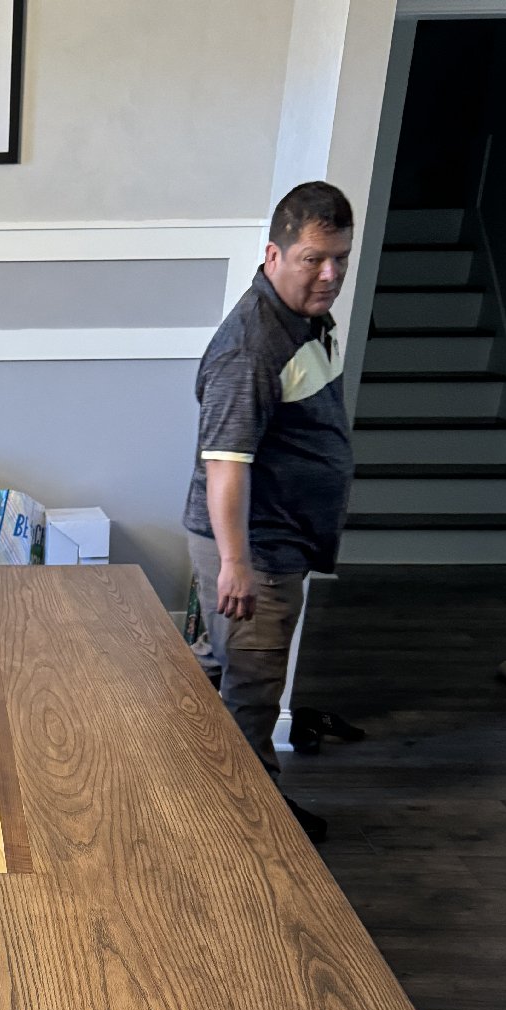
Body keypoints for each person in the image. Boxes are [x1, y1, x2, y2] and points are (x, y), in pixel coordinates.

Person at [183, 180, 356, 843]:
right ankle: (254, 830)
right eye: (314, 258)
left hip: (276, 540)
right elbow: (225, 465)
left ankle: (188, 791)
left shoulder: (303, 318)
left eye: (339, 258)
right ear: (274, 255)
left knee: (217, 669)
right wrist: (237, 564)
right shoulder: (252, 348)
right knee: (251, 689)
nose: (330, 274)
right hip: (256, 548)